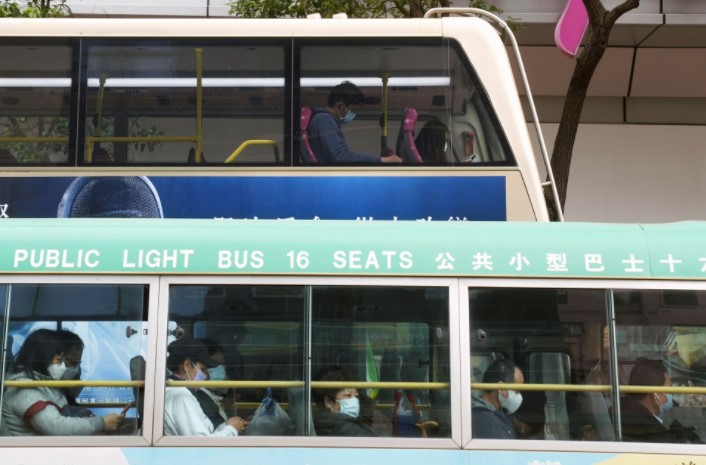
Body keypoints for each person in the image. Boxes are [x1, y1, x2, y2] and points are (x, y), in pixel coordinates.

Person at [0, 329, 124, 436]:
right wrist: (101, 423)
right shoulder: (24, 387)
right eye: (59, 360)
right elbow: (54, 426)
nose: (63, 367)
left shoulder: (43, 383)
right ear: (43, 358)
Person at [164, 336, 248, 436]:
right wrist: (232, 429)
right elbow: (202, 445)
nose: (207, 375)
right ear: (187, 365)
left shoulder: (181, 392)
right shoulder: (181, 397)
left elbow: (205, 433)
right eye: (203, 369)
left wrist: (226, 425)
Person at [306, 81, 402, 164]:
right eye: (352, 110)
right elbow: (341, 157)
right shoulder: (325, 121)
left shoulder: (323, 119)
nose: (352, 115)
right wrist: (382, 160)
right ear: (340, 106)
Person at [620, 358, 702, 443]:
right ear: (655, 395)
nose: (671, 396)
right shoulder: (648, 429)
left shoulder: (623, 413)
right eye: (668, 391)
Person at [312, 366, 376, 437]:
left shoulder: (319, 421)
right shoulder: (344, 427)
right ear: (328, 402)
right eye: (348, 395)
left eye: (356, 396)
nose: (354, 401)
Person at [471, 358, 525, 439]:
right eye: (516, 391)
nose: (519, 396)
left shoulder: (498, 413)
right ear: (501, 388)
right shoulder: (485, 420)